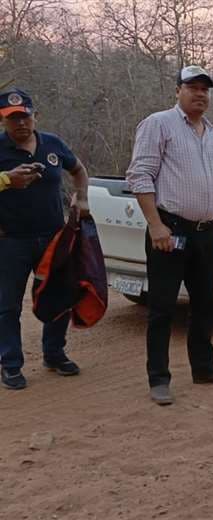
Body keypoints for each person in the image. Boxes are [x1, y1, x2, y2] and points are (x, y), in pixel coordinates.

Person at [126, 65, 213, 406]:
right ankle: (159, 379)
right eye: (192, 87)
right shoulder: (158, 124)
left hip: (206, 233)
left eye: (205, 88)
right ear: (178, 90)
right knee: (161, 308)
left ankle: (205, 368)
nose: (200, 93)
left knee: (206, 304)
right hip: (169, 231)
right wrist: (154, 224)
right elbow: (140, 175)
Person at [0, 88, 90, 390]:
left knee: (58, 296)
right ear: (3, 122)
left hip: (53, 237)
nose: (20, 124)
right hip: (9, 240)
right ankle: (11, 364)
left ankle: (54, 353)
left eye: (24, 116)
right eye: (12, 119)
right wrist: (6, 180)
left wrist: (83, 199)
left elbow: (78, 170)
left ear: (34, 115)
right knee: (8, 305)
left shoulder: (52, 144)